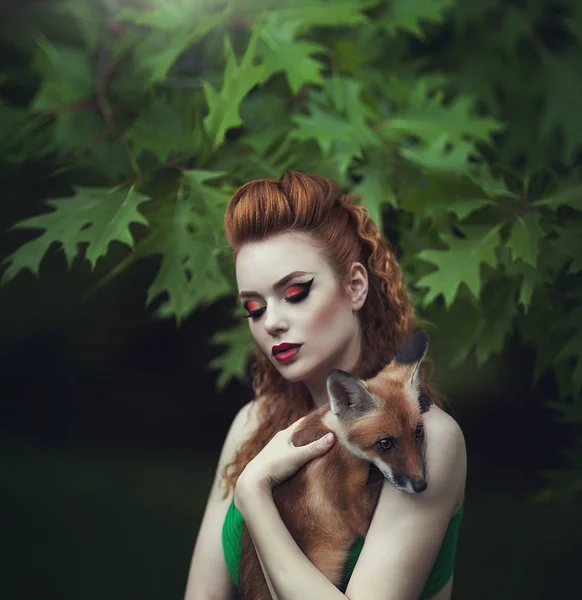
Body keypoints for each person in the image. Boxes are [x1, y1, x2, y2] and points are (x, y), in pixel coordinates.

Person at [184, 171, 467, 600]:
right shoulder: (253, 423)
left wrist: (255, 497)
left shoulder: (428, 437)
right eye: (254, 308)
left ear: (355, 286)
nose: (272, 322)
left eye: (295, 292)